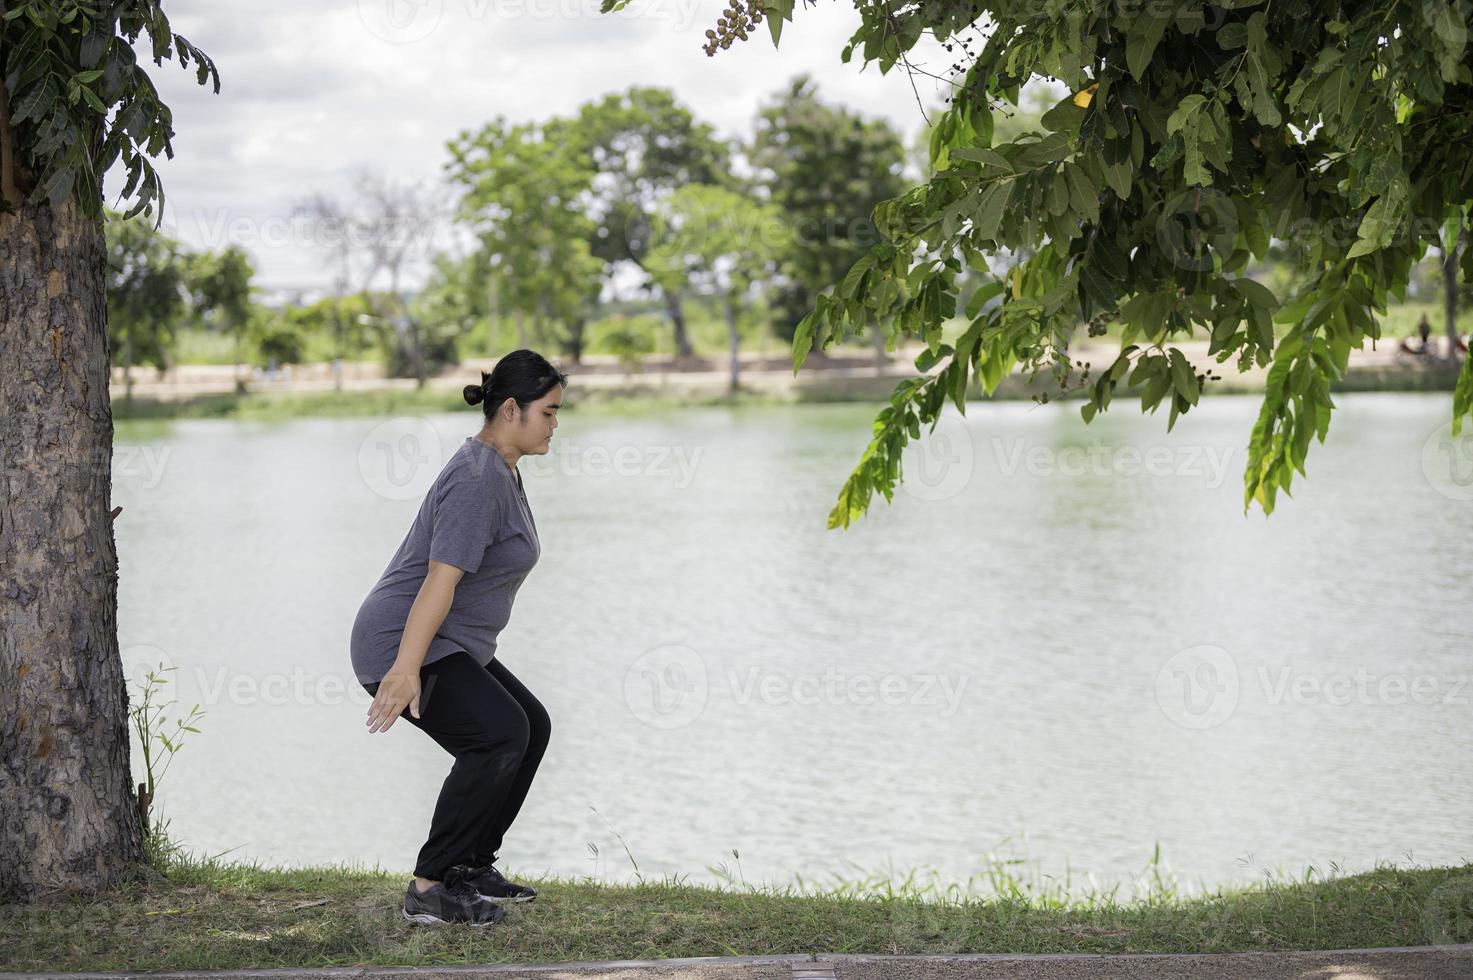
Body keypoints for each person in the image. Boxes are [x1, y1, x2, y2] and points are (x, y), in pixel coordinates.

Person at [350, 348, 567, 927]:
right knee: (498, 735)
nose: (555, 425)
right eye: (548, 413)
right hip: (403, 638)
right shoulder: (478, 480)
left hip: (444, 641)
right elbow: (438, 583)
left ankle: (470, 866)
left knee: (530, 726)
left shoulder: (501, 468)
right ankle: (429, 886)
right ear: (512, 409)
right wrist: (404, 669)